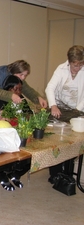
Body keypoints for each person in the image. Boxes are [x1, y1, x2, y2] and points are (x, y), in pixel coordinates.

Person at [45, 45, 84, 184]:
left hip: (76, 110)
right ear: (69, 62)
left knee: (72, 142)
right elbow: (50, 87)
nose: (77, 68)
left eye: (80, 65)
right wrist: (53, 105)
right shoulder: (61, 69)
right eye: (75, 65)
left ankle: (67, 173)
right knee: (56, 142)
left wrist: (77, 111)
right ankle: (55, 174)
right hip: (59, 108)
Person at [0, 75, 31, 191]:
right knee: (8, 152)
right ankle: (3, 176)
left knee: (31, 154)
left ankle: (15, 174)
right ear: (8, 89)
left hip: (19, 131)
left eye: (20, 89)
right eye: (15, 89)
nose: (18, 92)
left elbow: (29, 114)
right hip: (2, 132)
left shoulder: (21, 98)